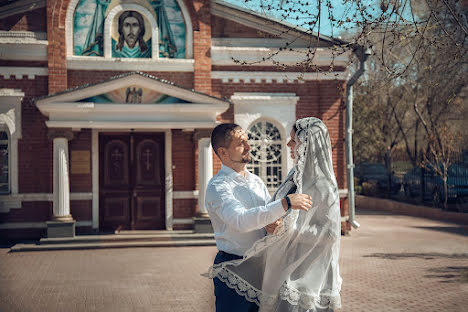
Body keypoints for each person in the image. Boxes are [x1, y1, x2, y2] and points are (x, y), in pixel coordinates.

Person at [205, 117, 342, 312]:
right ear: (223, 152)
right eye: (240, 143)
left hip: (267, 268)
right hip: (235, 266)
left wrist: (277, 225)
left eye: (247, 140)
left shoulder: (255, 182)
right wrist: (286, 204)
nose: (248, 146)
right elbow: (241, 220)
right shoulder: (218, 187)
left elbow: (267, 217)